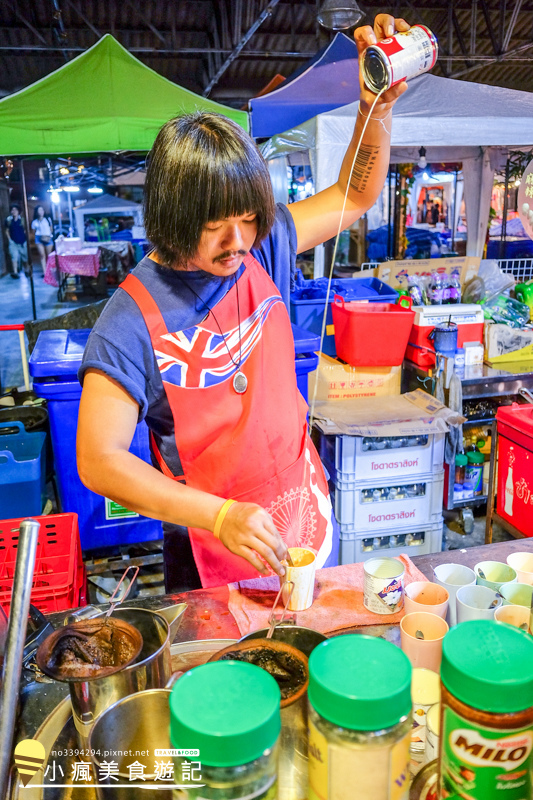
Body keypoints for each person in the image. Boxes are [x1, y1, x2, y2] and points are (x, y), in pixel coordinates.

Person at [77, 13, 410, 592]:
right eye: (215, 227)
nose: (238, 242)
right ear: (173, 219)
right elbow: (99, 460)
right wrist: (220, 515)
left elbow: (353, 196)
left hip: (300, 505)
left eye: (249, 219)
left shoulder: (266, 242)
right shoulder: (127, 321)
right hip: (207, 540)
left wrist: (375, 108)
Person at [5, 204, 28, 279]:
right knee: (14, 257)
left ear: (18, 211)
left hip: (22, 241)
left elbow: (25, 230)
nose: (13, 211)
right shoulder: (9, 220)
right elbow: (7, 230)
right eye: (12, 210)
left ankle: (26, 270)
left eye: (15, 210)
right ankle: (15, 272)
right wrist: (10, 240)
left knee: (25, 257)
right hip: (13, 242)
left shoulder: (22, 220)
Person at [31, 205, 53, 272]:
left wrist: (48, 236)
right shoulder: (34, 222)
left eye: (42, 210)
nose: (41, 212)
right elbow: (33, 231)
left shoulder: (48, 219)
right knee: (42, 255)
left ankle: (50, 270)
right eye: (39, 210)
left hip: (48, 237)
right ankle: (45, 271)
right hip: (39, 238)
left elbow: (51, 229)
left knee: (49, 255)